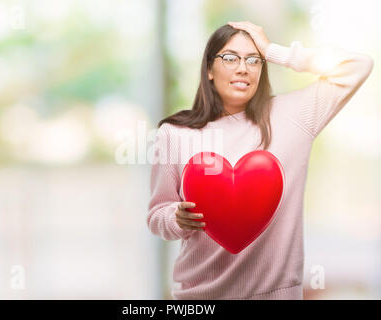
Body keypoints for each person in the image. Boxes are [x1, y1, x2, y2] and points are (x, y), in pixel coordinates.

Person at [147, 21, 373, 300]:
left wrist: (277, 52)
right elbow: (157, 215)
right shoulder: (175, 134)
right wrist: (177, 218)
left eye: (254, 59)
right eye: (230, 58)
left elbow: (358, 66)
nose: (243, 68)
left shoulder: (294, 116)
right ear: (208, 69)